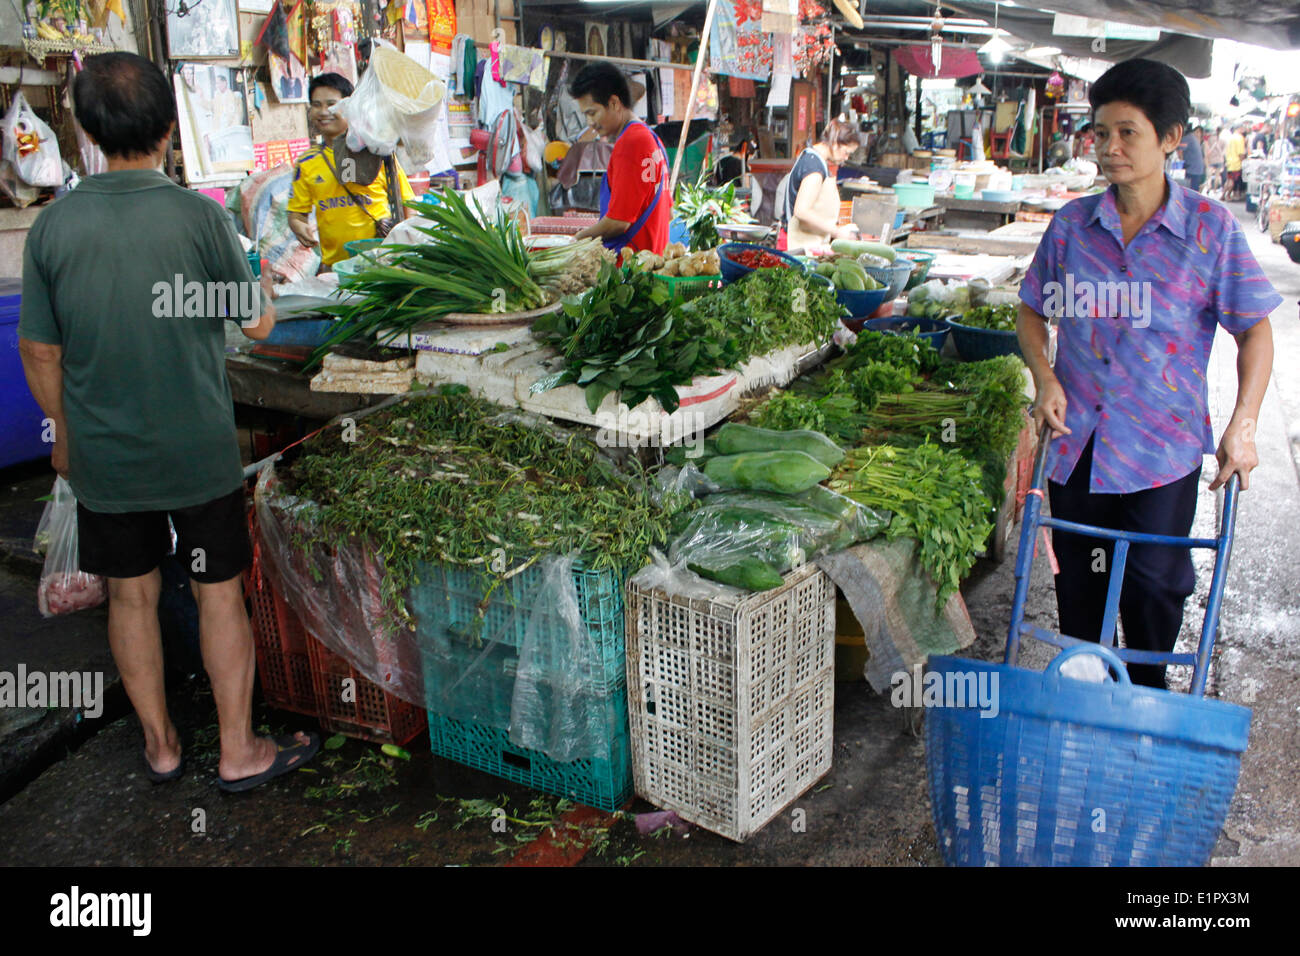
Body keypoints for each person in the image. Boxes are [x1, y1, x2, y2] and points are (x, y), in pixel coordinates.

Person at [17, 51, 323, 790]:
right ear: (164, 129)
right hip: (195, 447)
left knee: (131, 592)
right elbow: (253, 326)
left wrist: (64, 435)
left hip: (105, 453)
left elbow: (39, 351)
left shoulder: (53, 229)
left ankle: (160, 748)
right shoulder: (198, 215)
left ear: (88, 131)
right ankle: (238, 749)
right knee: (219, 590)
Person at [1016, 58, 1278, 689]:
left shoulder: (1210, 232)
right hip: (1079, 446)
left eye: (1127, 132)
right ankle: (1087, 703)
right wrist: (1045, 376)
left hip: (1162, 450)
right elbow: (1032, 311)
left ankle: (1149, 703)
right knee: (1082, 581)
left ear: (1170, 138)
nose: (1109, 148)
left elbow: (1255, 332)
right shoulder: (1073, 227)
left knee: (1155, 586)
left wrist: (1243, 426)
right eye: (1100, 133)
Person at [287, 72, 416, 269]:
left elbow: (408, 204)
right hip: (334, 268)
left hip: (381, 265)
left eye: (331, 104)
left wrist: (408, 250)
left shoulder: (376, 152)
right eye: (316, 104)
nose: (323, 111)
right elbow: (297, 214)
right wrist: (298, 226)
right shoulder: (306, 162)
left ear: (350, 107)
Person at [567, 62, 670, 255]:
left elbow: (618, 222)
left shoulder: (630, 143)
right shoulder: (651, 138)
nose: (590, 123)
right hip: (651, 264)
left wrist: (578, 239)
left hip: (630, 271)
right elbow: (667, 211)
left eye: (592, 113)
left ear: (614, 103)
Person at [781, 116, 859, 252]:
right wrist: (837, 232)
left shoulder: (814, 159)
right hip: (797, 247)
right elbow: (802, 211)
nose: (845, 158)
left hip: (807, 245)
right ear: (835, 143)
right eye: (846, 153)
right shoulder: (814, 167)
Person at [1176, 124, 1204, 192]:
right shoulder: (1192, 138)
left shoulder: (1187, 138)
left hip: (1192, 169)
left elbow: (1180, 151)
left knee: (1189, 191)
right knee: (1193, 191)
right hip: (1196, 169)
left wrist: (1181, 164)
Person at [1224, 123, 1247, 199]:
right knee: (1232, 181)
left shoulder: (1231, 137)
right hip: (1236, 163)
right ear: (1239, 128)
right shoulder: (1240, 138)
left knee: (1228, 180)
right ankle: (1228, 195)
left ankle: (1223, 195)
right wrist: (1243, 160)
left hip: (1229, 161)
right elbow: (1241, 153)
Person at [1203, 126, 1225, 195]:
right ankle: (1215, 190)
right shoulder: (1222, 140)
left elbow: (1206, 150)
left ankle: (1208, 188)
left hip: (1210, 159)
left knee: (1209, 176)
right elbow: (1224, 151)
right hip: (1219, 160)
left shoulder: (1208, 139)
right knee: (1217, 176)